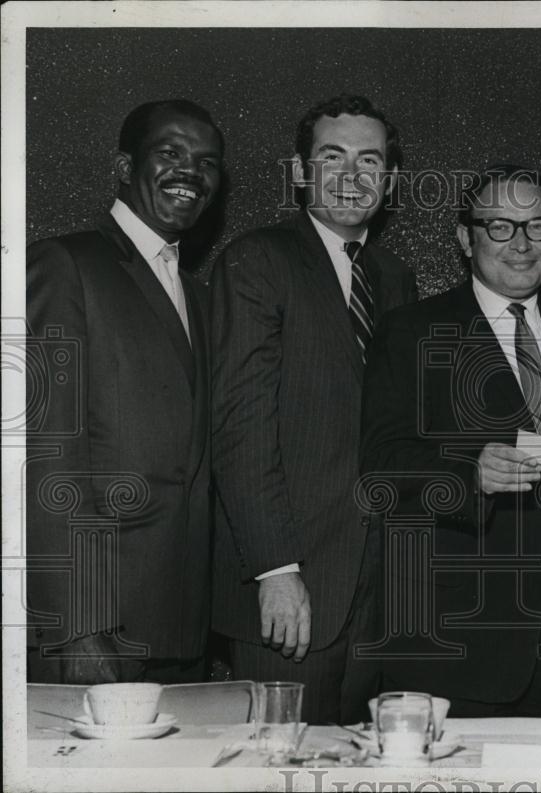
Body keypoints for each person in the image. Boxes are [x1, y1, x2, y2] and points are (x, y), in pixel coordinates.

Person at [360, 164, 541, 717]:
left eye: (537, 225)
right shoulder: (410, 332)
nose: (520, 243)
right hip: (454, 647)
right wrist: (469, 473)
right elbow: (380, 465)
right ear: (465, 238)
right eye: (499, 226)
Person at [211, 94, 417, 724]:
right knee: (279, 771)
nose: (353, 176)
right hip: (288, 590)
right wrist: (276, 569)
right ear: (300, 172)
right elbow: (240, 427)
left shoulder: (396, 278)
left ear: (390, 179)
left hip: (378, 596)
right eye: (333, 157)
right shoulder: (258, 261)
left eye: (370, 160)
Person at [26, 99, 224, 683]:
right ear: (122, 165)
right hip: (96, 627)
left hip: (182, 629)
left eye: (207, 161)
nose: (190, 171)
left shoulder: (201, 294)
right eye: (170, 153)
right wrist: (77, 624)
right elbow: (44, 456)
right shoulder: (64, 264)